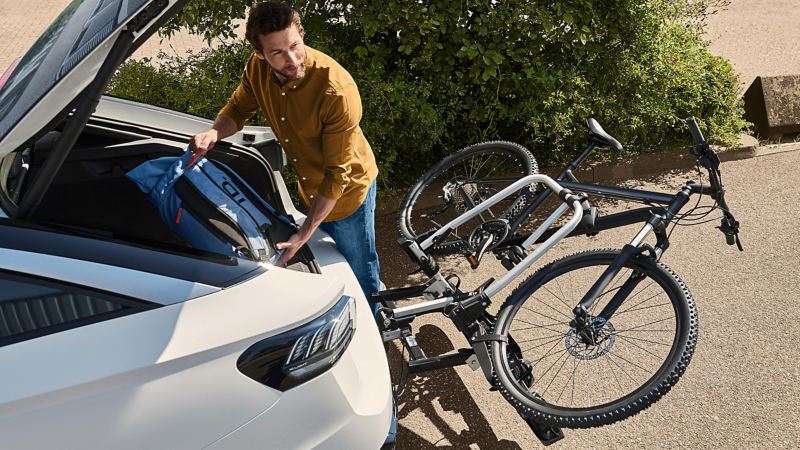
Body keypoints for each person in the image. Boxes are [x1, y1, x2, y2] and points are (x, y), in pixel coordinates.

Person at [189, 2, 382, 311]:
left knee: (360, 270)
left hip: (347, 194)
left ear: (301, 35)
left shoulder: (335, 90)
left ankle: (377, 322)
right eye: (277, 52)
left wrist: (302, 235)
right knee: (331, 265)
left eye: (295, 45)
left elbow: (336, 176)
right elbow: (238, 109)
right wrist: (213, 133)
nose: (291, 59)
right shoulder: (256, 69)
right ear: (261, 53)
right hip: (312, 188)